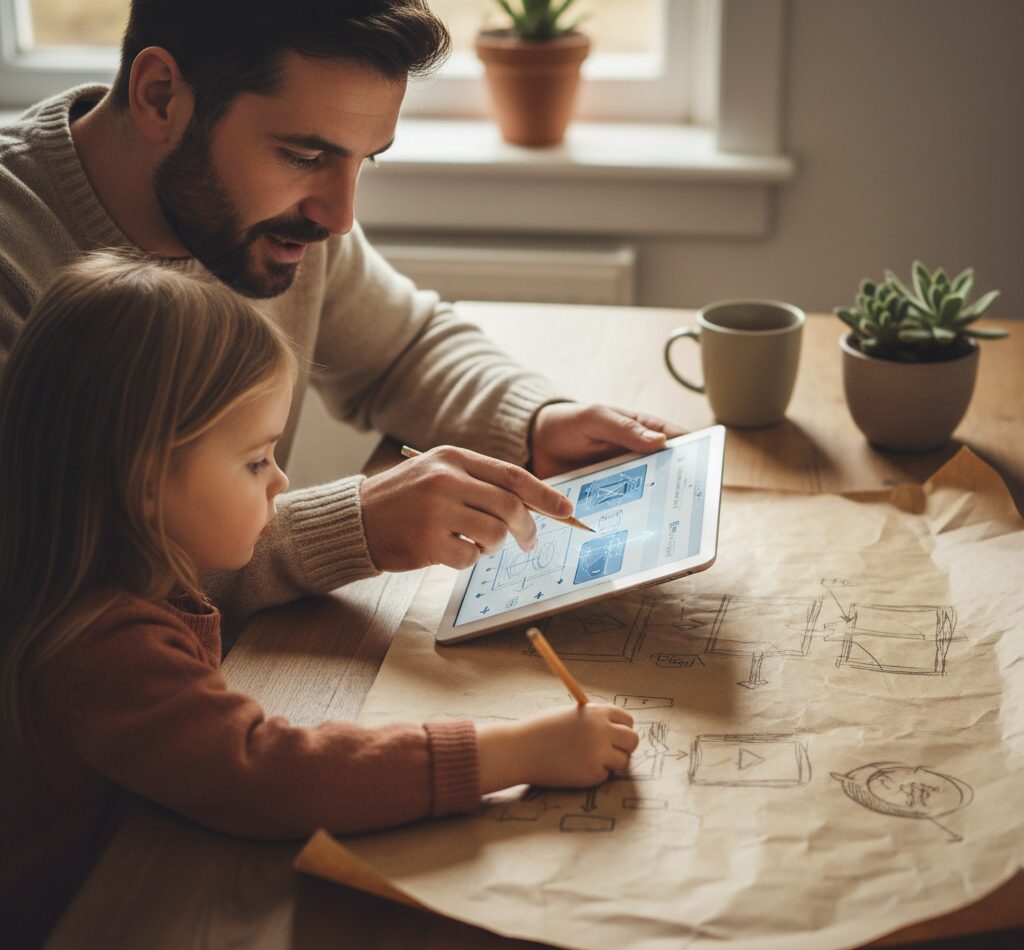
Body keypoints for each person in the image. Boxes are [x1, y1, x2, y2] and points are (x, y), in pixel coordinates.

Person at [0, 251, 640, 950]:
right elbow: (270, 774)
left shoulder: (112, 581)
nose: (283, 482)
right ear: (146, 487)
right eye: (255, 462)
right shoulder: (104, 647)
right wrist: (519, 752)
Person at [0, 0, 683, 632]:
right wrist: (353, 526)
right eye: (306, 156)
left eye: (365, 163)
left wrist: (534, 420)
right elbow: (49, 578)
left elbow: (402, 350)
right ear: (160, 97)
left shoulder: (279, 225)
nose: (340, 216)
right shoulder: (14, 251)